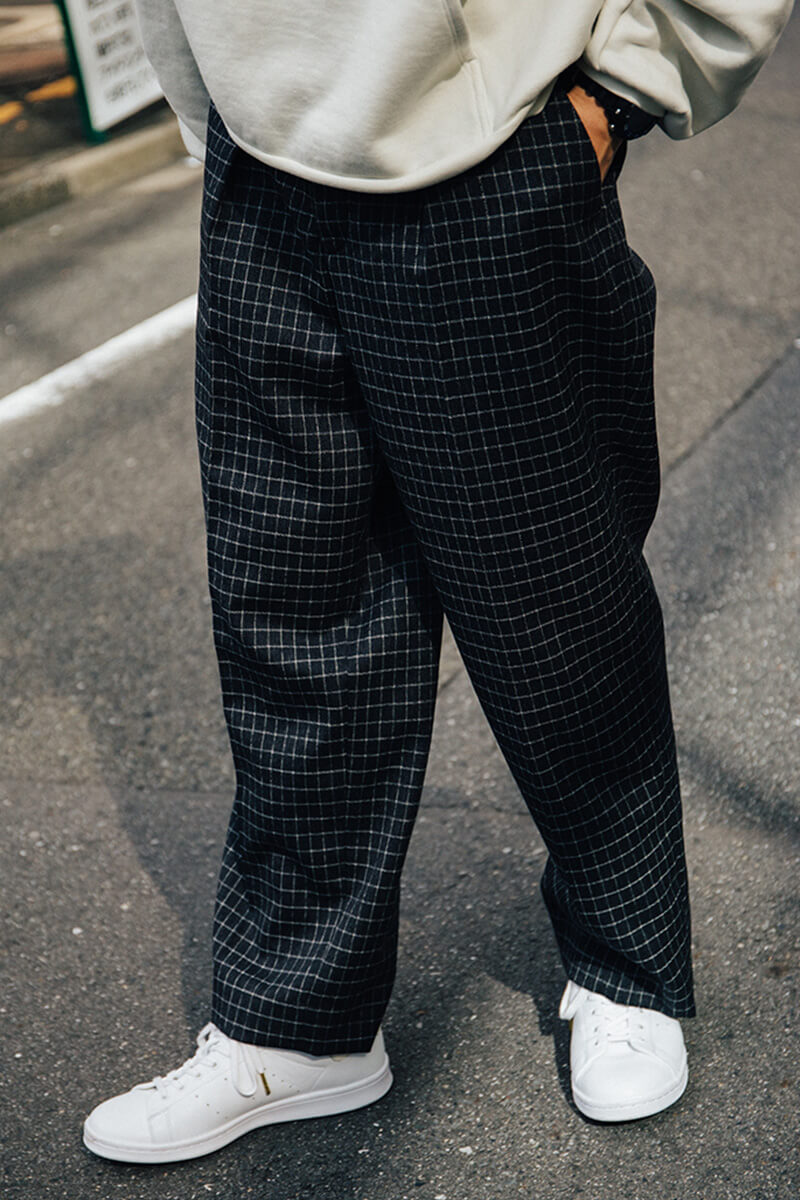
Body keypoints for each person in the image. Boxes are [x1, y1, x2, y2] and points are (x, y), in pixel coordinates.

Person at [83, 0, 792, 1164]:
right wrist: (208, 118)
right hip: (258, 171)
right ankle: (299, 1027)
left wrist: (629, 87)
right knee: (291, 615)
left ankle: (626, 969)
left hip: (489, 156)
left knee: (557, 608)